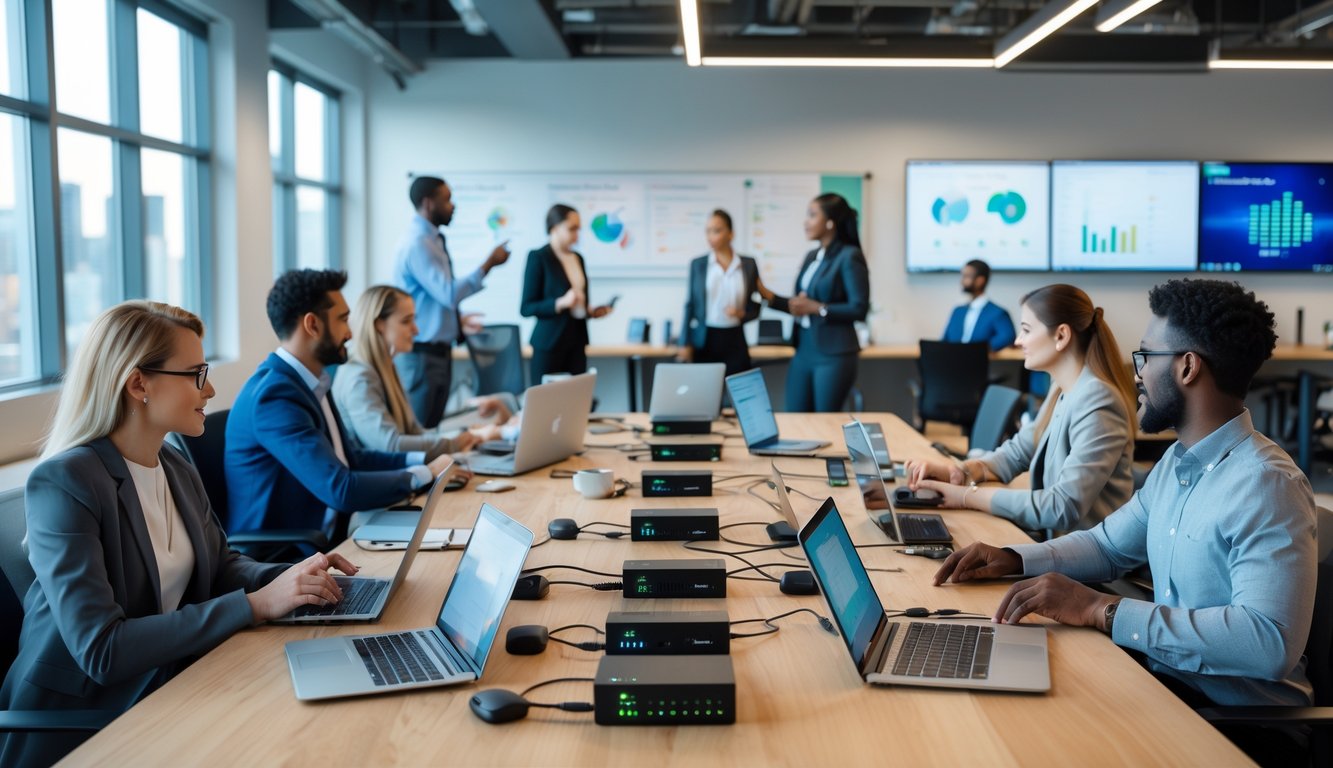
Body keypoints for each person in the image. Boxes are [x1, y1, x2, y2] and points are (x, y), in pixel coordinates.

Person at [934, 279, 1315, 764]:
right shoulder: (1178, 463)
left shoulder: (1265, 484)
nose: (1136, 374)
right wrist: (1012, 558)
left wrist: (1101, 610)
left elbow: (1267, 644)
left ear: (1187, 366)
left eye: (1146, 358)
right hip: (1169, 685)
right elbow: (1106, 548)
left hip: (1242, 727)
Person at [0, 301, 358, 766]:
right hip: (85, 721)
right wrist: (256, 604)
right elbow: (102, 649)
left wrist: (297, 579)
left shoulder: (173, 464)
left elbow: (224, 566)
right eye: (195, 374)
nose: (209, 389)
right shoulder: (65, 483)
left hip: (171, 682)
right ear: (137, 384)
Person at [226, 269, 453, 539]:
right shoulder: (275, 396)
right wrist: (424, 473)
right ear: (312, 325)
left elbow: (354, 459)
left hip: (333, 535)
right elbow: (340, 489)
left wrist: (427, 462)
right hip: (288, 556)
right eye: (343, 320)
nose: (350, 332)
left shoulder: (312, 380)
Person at [905, 284, 1136, 531]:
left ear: (1061, 336)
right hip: (1059, 548)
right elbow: (1018, 453)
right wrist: (959, 472)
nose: (1017, 340)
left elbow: (1061, 507)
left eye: (1026, 330)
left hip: (1087, 562)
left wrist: (965, 497)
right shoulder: (1061, 388)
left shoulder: (1098, 400)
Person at [333, 285, 511, 456]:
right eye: (406, 321)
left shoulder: (386, 368)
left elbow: (415, 433)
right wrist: (454, 444)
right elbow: (391, 445)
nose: (416, 330)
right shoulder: (360, 377)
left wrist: (471, 431)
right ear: (379, 324)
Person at [393, 176, 511, 429]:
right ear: (428, 203)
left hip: (436, 352)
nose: (453, 205)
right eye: (446, 199)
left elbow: (433, 299)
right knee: (421, 429)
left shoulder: (433, 240)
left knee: (432, 427)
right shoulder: (418, 243)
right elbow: (447, 293)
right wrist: (489, 263)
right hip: (422, 354)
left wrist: (458, 320)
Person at [756, 193, 869, 412]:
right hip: (804, 350)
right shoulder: (812, 256)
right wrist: (766, 295)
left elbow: (860, 308)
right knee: (795, 418)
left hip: (834, 354)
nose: (806, 222)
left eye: (812, 215)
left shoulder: (849, 256)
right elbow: (800, 306)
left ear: (830, 222)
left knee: (824, 423)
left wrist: (819, 309)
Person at [520, 204, 613, 384]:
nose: (577, 235)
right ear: (554, 228)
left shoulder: (578, 258)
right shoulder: (539, 257)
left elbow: (579, 303)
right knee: (545, 402)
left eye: (578, 229)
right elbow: (526, 307)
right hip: (550, 343)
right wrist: (560, 303)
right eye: (572, 229)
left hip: (577, 341)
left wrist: (590, 311)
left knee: (576, 400)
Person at [678, 209, 761, 376]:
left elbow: (756, 306)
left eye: (716, 230)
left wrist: (741, 314)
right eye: (708, 231)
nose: (710, 236)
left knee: (738, 393)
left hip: (735, 339)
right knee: (706, 396)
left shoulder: (748, 265)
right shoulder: (698, 265)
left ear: (731, 234)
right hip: (705, 339)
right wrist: (684, 343)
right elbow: (690, 305)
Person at [942, 259, 1016, 351]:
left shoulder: (998, 313)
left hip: (978, 363)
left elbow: (1008, 337)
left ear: (980, 281)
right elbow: (944, 341)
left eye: (966, 276)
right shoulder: (958, 311)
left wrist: (978, 350)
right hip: (951, 362)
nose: (962, 281)